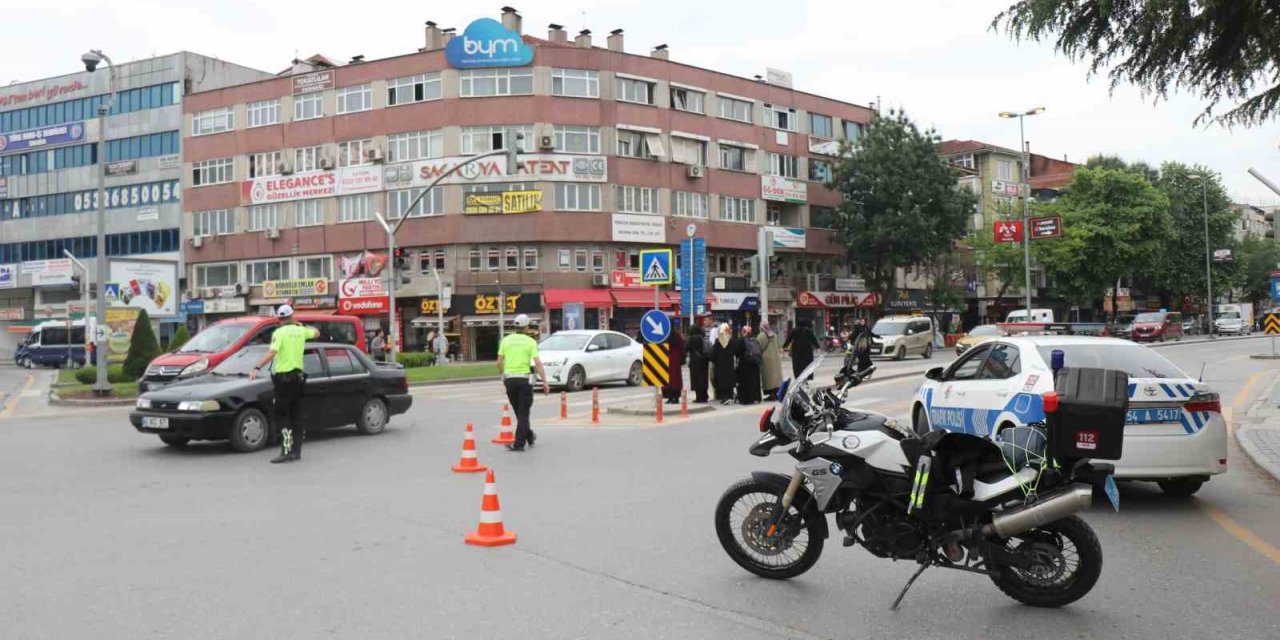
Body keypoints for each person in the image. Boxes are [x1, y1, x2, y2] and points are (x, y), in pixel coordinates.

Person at [249, 305, 319, 464]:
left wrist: (257, 367)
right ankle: (296, 452)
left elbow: (272, 352)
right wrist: (300, 324)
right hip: (298, 380)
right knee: (297, 416)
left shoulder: (279, 333)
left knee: (283, 417)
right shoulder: (300, 330)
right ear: (292, 316)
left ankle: (286, 451)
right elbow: (316, 332)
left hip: (283, 381)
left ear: (279, 319)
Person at [496, 314, 549, 452]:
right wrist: (545, 381)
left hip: (510, 380)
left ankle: (529, 436)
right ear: (526, 327)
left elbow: (499, 362)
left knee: (520, 412)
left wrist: (503, 375)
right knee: (523, 413)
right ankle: (519, 444)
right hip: (524, 380)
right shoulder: (530, 342)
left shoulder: (505, 340)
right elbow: (537, 363)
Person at [710, 323, 738, 405]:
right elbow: (736, 351)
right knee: (729, 380)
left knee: (721, 381)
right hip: (729, 364)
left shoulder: (718, 340)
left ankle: (723, 397)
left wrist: (713, 359)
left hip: (720, 365)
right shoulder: (731, 340)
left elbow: (713, 354)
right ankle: (729, 396)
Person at [737, 325, 763, 405]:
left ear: (744, 332)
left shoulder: (742, 341)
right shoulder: (755, 340)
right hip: (755, 362)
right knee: (755, 381)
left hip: (745, 364)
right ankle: (756, 398)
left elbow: (738, 352)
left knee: (746, 382)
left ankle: (747, 399)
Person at [757, 321, 784, 398]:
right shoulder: (774, 335)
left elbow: (758, 347)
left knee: (768, 378)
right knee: (776, 378)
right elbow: (779, 346)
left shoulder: (761, 336)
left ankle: (771, 394)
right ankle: (776, 393)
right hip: (776, 358)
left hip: (766, 360)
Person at [685, 321, 710, 403]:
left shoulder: (691, 339)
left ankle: (699, 397)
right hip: (704, 361)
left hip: (695, 362)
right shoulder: (702, 338)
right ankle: (704, 396)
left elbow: (686, 348)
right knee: (704, 379)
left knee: (696, 380)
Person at [663, 324, 686, 404]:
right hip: (676, 360)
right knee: (675, 379)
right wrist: (682, 359)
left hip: (666, 359)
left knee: (667, 380)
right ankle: (675, 398)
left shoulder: (664, 336)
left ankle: (669, 397)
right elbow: (682, 348)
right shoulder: (677, 336)